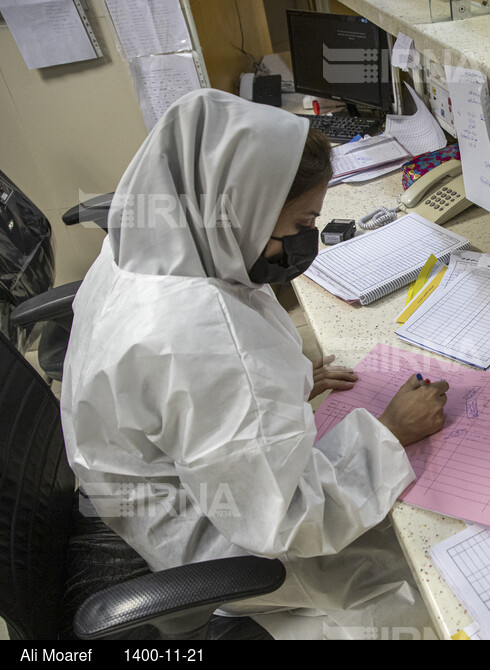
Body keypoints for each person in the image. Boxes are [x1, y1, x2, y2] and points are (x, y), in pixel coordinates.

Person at [60, 89, 449, 639]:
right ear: (243, 210)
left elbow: (182, 391)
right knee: (421, 563)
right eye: (302, 222)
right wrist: (389, 432)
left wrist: (280, 386)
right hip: (216, 547)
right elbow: (287, 520)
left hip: (146, 483)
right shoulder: (203, 337)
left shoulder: (147, 241)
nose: (306, 237)